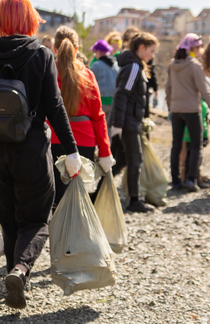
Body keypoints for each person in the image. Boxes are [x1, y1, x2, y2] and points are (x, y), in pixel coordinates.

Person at [0, 0, 81, 310]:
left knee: (10, 222)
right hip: (30, 149)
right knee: (38, 220)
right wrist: (71, 151)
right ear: (30, 21)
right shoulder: (41, 55)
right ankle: (20, 270)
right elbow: (55, 108)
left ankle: (13, 283)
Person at [49, 27, 114, 207]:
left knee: (56, 196)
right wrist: (105, 151)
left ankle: (57, 231)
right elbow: (98, 116)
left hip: (53, 140)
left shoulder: (48, 73)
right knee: (77, 196)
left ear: (55, 49)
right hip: (84, 142)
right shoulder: (87, 75)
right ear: (76, 49)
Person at [111, 32, 159, 213]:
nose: (152, 56)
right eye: (151, 51)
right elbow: (122, 95)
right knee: (135, 160)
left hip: (130, 122)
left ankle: (98, 193)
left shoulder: (135, 66)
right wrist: (118, 125)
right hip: (127, 124)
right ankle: (134, 201)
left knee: (122, 160)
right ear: (141, 48)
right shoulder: (132, 67)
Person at [165, 33, 210, 192]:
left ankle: (175, 181)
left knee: (176, 145)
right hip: (192, 110)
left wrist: (170, 107)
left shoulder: (173, 64)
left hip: (176, 110)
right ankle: (190, 179)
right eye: (200, 47)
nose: (201, 50)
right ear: (194, 48)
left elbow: (168, 89)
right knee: (196, 145)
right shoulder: (194, 66)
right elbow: (204, 90)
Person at [90, 39, 119, 128]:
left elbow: (88, 84)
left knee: (98, 128)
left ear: (99, 51)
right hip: (114, 102)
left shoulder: (96, 65)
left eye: (95, 52)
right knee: (108, 129)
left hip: (100, 102)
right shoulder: (116, 64)